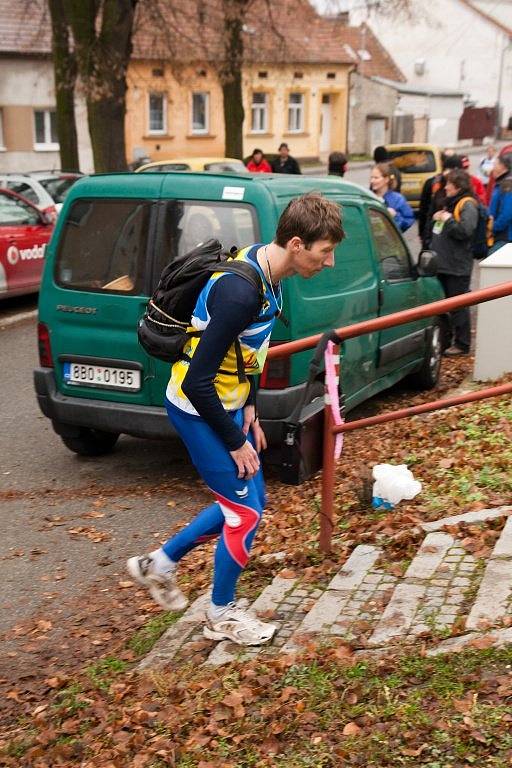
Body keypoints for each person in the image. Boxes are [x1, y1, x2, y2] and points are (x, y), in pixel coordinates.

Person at [127, 193, 344, 646]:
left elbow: (251, 348)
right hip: (196, 408)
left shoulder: (269, 273)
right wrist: (233, 440)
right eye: (325, 252)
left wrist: (250, 407)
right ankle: (220, 614)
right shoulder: (239, 290)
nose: (330, 262)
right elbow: (196, 382)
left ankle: (158, 564)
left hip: (226, 405)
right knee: (244, 511)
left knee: (247, 503)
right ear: (299, 244)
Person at [431, 169, 478, 357]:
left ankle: (462, 343)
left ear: (458, 186)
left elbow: (465, 231)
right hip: (445, 264)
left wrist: (448, 220)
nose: (446, 187)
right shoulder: (451, 203)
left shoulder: (467, 205)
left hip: (457, 267)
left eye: (449, 184)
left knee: (459, 306)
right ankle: (446, 340)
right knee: (446, 306)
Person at [419, 154, 463, 249]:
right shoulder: (435, 185)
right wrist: (424, 236)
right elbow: (424, 211)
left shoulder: (465, 195)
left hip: (449, 243)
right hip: (435, 238)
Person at [370, 162, 414, 232]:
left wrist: (395, 216)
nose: (372, 181)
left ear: (386, 179)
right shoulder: (368, 196)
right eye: (371, 177)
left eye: (376, 178)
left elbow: (408, 221)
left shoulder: (398, 199)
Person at [488, 153, 512, 253]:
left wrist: (493, 227)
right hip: (500, 236)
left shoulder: (508, 184)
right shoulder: (501, 183)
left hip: (505, 237)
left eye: (495, 164)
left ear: (502, 166)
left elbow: (507, 213)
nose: (492, 167)